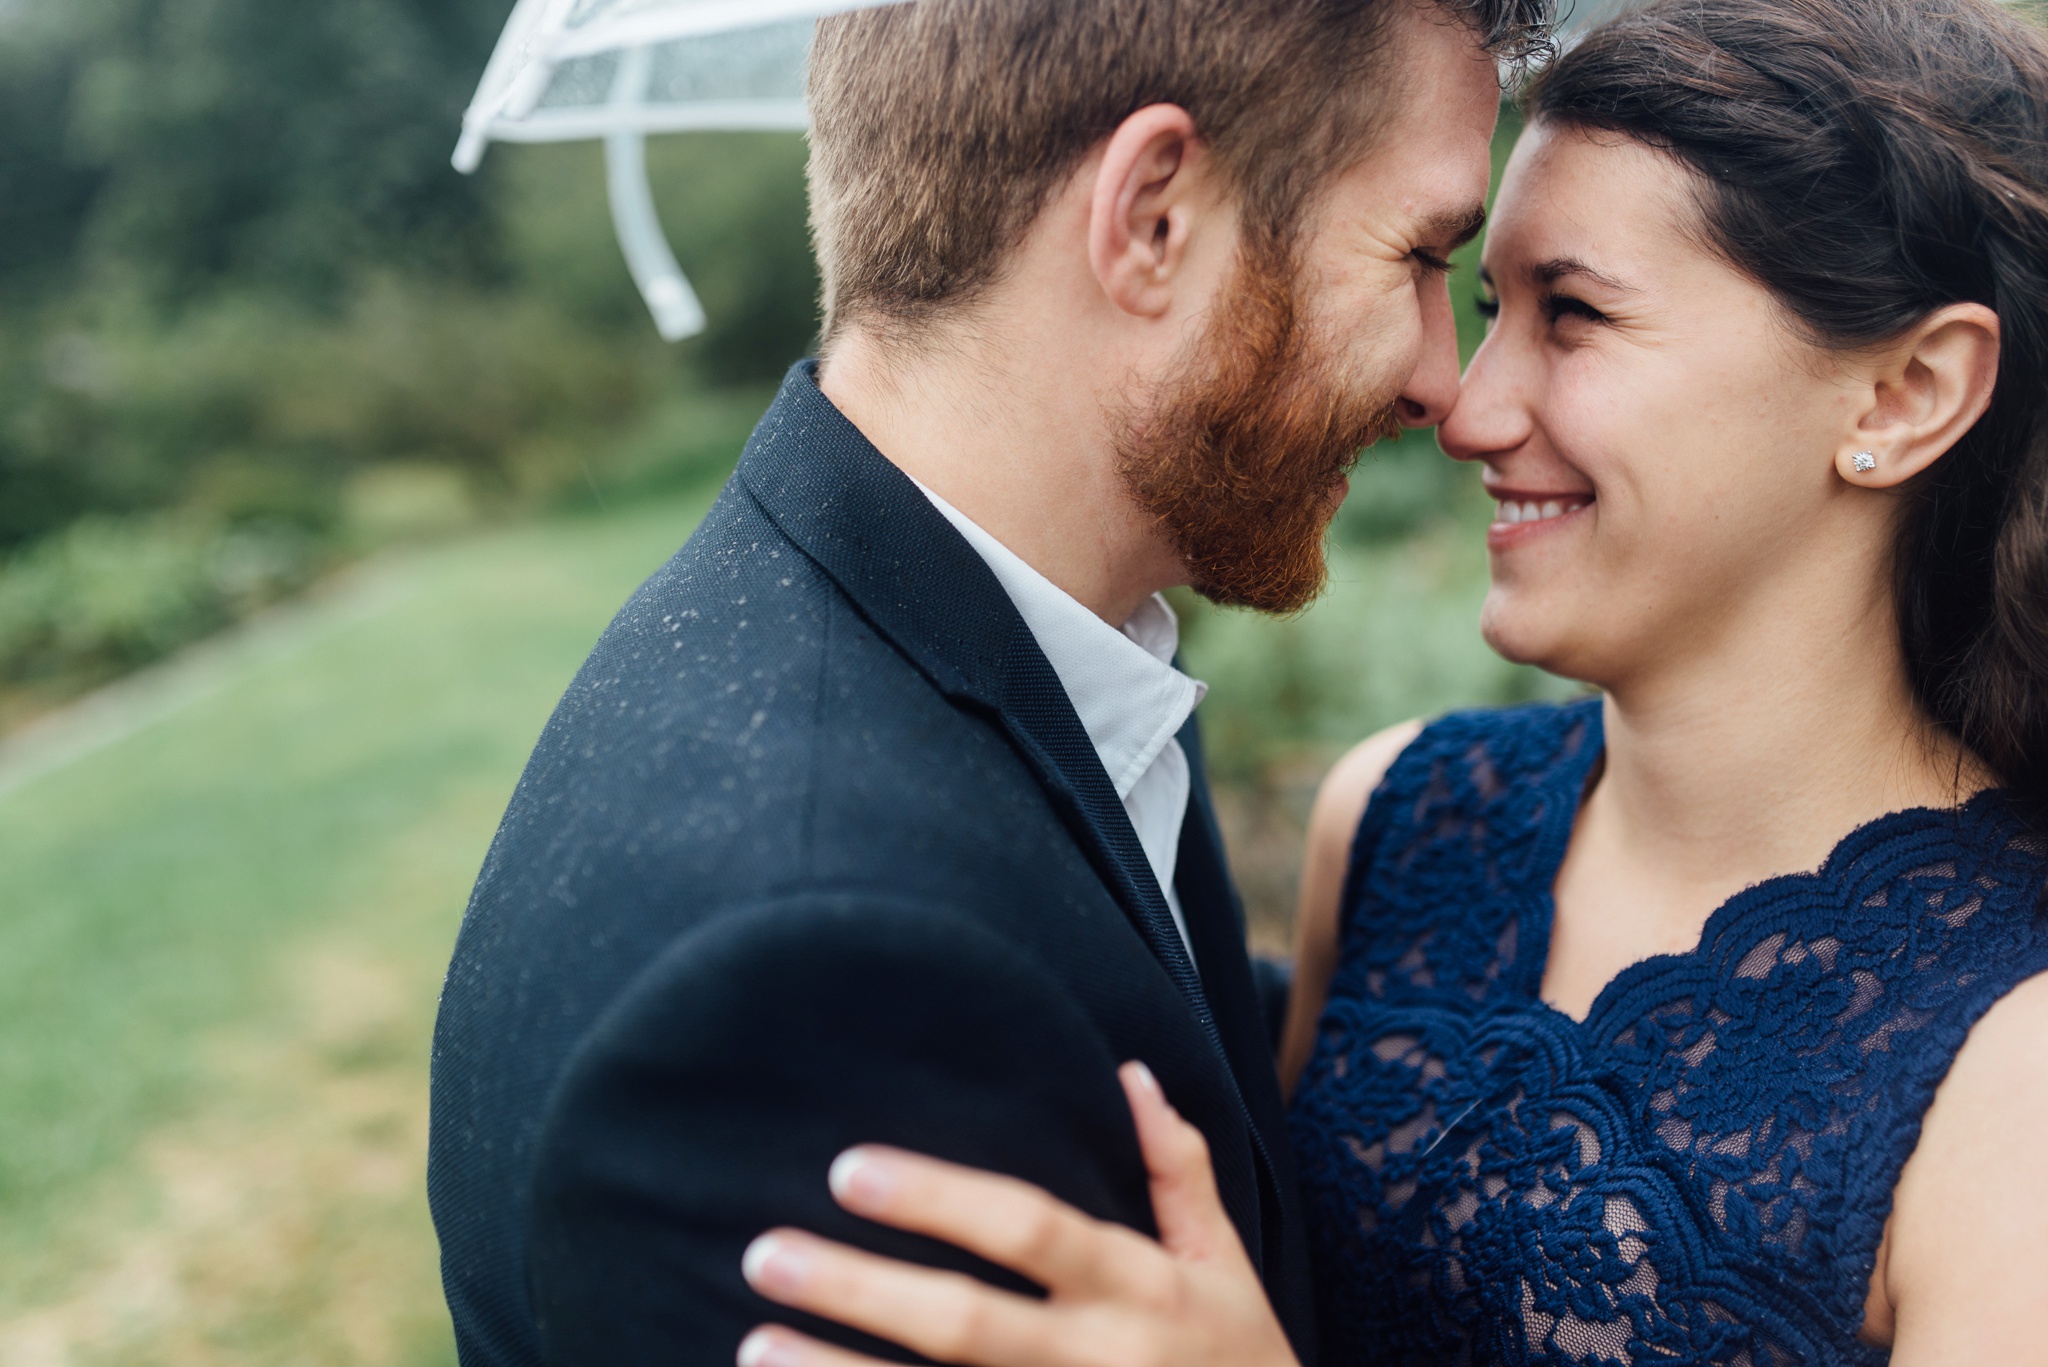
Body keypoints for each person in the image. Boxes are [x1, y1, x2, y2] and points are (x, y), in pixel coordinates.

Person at [734, 0, 2048, 1364]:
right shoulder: (1398, 824)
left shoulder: (2018, 1071)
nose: (1469, 409)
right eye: (1487, 303)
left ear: (1905, 393)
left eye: (1577, 315)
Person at [425, 0, 1551, 1363]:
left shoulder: (977, 635)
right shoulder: (815, 982)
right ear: (1152, 217)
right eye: (1425, 254)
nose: (1445, 379)